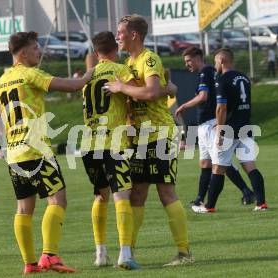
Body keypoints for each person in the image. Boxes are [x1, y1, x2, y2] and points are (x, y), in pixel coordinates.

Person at [0, 31, 93, 274]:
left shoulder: (1, 81)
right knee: (58, 199)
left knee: (23, 208)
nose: (40, 52)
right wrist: (91, 71)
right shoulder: (30, 74)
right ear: (23, 52)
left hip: (15, 152)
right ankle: (50, 255)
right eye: (36, 48)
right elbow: (72, 86)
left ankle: (29, 263)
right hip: (36, 149)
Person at [106, 14, 193, 266]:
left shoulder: (149, 58)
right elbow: (161, 90)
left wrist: (122, 88)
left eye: (120, 32)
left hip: (159, 134)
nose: (117, 37)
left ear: (133, 34)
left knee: (166, 192)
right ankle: (128, 252)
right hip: (136, 136)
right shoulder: (127, 63)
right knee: (137, 195)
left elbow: (153, 91)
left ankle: (184, 253)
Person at [80, 31, 141, 270]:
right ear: (115, 49)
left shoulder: (87, 76)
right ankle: (125, 254)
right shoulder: (119, 69)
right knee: (122, 196)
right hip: (113, 142)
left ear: (96, 53)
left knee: (100, 196)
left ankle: (100, 254)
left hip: (88, 144)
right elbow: (138, 92)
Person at [175, 47, 255, 209]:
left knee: (221, 163)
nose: (187, 65)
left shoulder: (205, 72)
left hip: (211, 123)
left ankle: (246, 191)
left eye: (189, 60)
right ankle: (199, 199)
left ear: (198, 57)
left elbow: (203, 96)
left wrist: (184, 105)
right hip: (206, 123)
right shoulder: (212, 72)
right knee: (206, 163)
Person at [195, 48, 268, 213]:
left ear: (221, 60)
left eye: (215, 61)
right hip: (246, 127)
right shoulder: (244, 78)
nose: (215, 65)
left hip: (230, 129)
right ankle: (261, 203)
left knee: (218, 168)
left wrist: (220, 131)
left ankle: (209, 206)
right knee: (250, 167)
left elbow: (221, 108)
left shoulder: (222, 79)